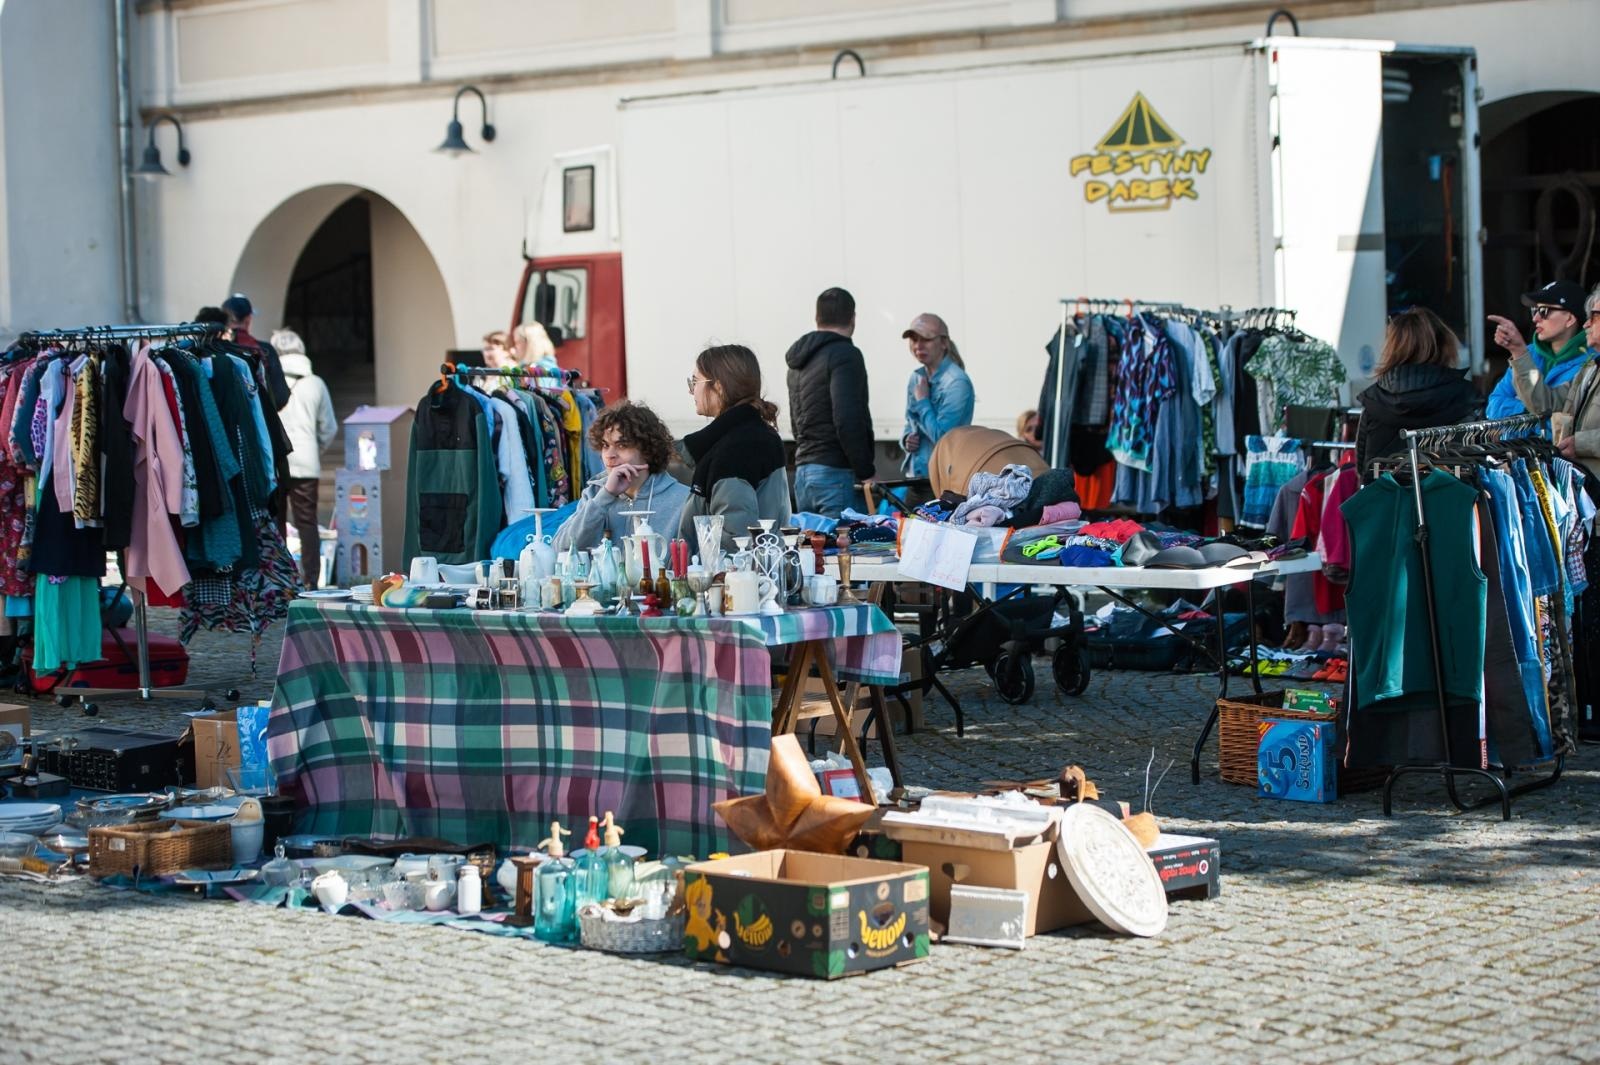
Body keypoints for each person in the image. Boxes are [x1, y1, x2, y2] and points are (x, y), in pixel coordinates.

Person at [677, 344, 791, 551]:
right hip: (763, 572)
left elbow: (735, 542)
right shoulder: (754, 434)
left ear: (719, 386)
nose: (690, 390)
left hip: (728, 580)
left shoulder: (736, 449)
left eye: (695, 381)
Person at [1354, 307, 1483, 478]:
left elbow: (1362, 466)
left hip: (1389, 501)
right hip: (1451, 500)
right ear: (1444, 345)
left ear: (1393, 347)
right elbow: (1480, 460)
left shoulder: (1374, 400)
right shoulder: (1467, 396)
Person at [785, 287, 875, 517]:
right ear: (853, 318)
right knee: (845, 550)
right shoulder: (846, 355)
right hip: (835, 475)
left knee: (812, 551)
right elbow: (847, 418)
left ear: (817, 318)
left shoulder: (798, 362)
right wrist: (866, 471)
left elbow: (797, 423)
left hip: (803, 474)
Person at [553, 401, 689, 553]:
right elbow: (561, 548)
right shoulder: (595, 492)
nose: (610, 455)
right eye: (605, 445)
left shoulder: (683, 499)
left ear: (648, 450)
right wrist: (605, 496)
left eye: (622, 446)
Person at [272, 328, 338, 588]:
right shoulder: (315, 383)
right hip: (307, 462)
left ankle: (278, 579)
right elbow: (329, 427)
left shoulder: (267, 378)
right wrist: (314, 448)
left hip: (276, 461)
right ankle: (311, 580)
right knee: (307, 523)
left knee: (276, 521)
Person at [1487, 279, 1592, 417]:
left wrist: (1520, 407)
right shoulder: (1528, 352)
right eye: (1534, 310)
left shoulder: (1591, 362)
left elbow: (1558, 423)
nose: (1535, 318)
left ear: (1569, 319)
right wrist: (1527, 409)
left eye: (1543, 311)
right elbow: (1493, 406)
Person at [899, 312, 974, 477]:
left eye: (926, 339)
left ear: (944, 343)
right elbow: (910, 421)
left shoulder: (957, 382)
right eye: (914, 339)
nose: (918, 345)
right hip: (916, 475)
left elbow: (943, 439)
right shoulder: (916, 377)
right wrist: (906, 440)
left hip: (942, 479)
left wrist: (923, 401)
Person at [221, 293, 291, 409]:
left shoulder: (211, 350)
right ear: (248, 319)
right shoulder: (265, 350)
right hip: (261, 422)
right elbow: (281, 396)